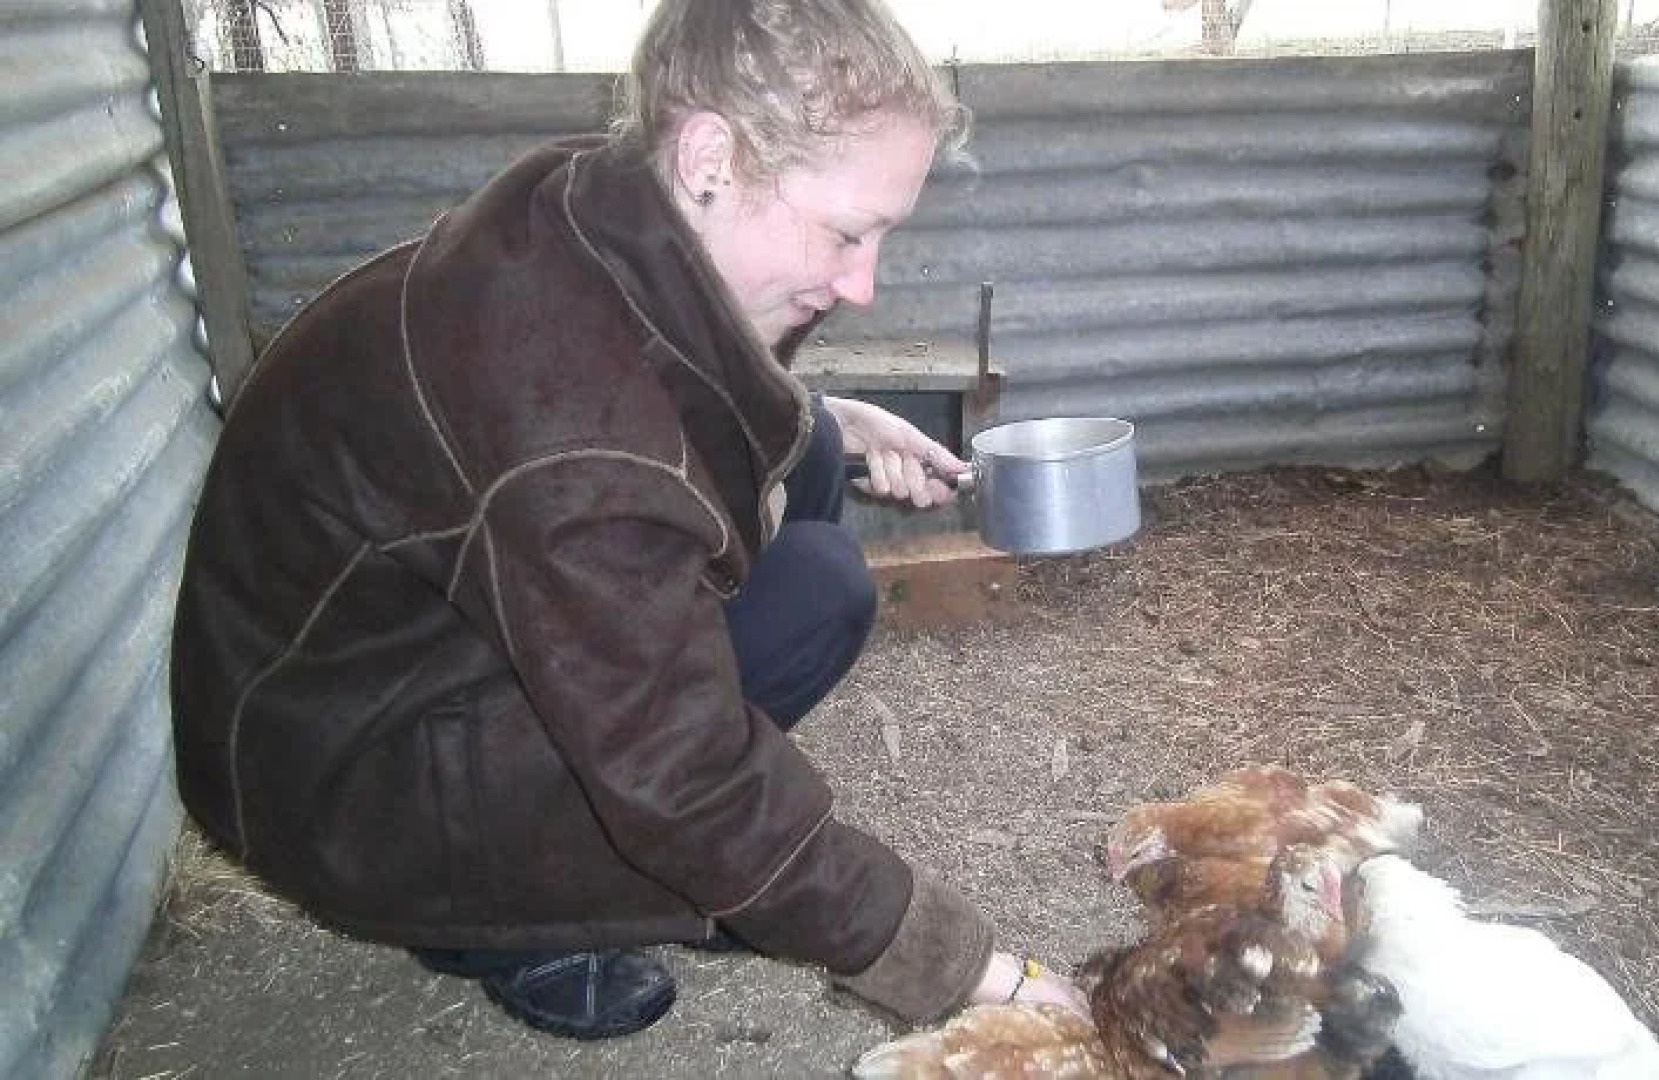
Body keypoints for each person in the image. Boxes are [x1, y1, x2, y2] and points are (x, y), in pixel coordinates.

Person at [169, 0, 1084, 1042]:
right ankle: (509, 920)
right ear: (709, 157)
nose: (862, 284)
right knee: (816, 593)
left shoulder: (590, 208)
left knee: (814, 450)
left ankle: (611, 845)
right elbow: (683, 770)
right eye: (846, 231)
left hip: (367, 668)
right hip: (341, 786)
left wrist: (830, 412)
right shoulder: (568, 434)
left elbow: (647, 389)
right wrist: (971, 969)